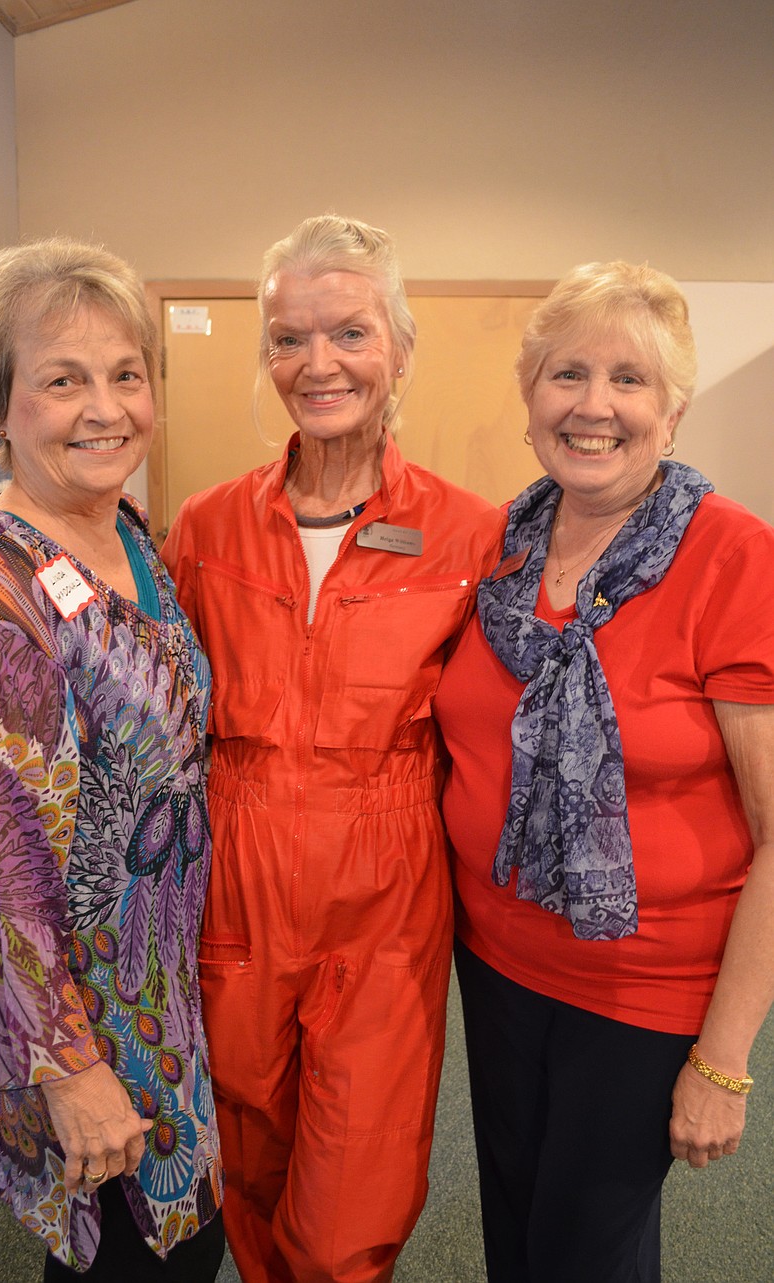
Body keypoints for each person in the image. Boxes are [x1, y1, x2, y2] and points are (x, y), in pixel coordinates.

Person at [162, 214, 504, 1283]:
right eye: (288, 338)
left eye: (349, 332)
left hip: (386, 900)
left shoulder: (468, 534)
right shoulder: (204, 528)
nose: (319, 365)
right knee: (245, 1165)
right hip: (232, 885)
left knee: (355, 1194)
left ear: (399, 345)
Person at [434, 260, 774, 1282]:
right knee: (518, 1226)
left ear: (672, 412)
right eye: (566, 373)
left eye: (629, 381)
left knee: (584, 1251)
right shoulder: (498, 544)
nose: (593, 405)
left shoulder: (731, 556)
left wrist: (723, 1059)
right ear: (530, 393)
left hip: (645, 985)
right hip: (494, 963)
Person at [0, 238, 225, 1279]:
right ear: (2, 407)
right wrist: (69, 1071)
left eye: (125, 374)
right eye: (63, 379)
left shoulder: (128, 530)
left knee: (184, 1250)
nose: (105, 407)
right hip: (89, 1025)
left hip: (167, 994)